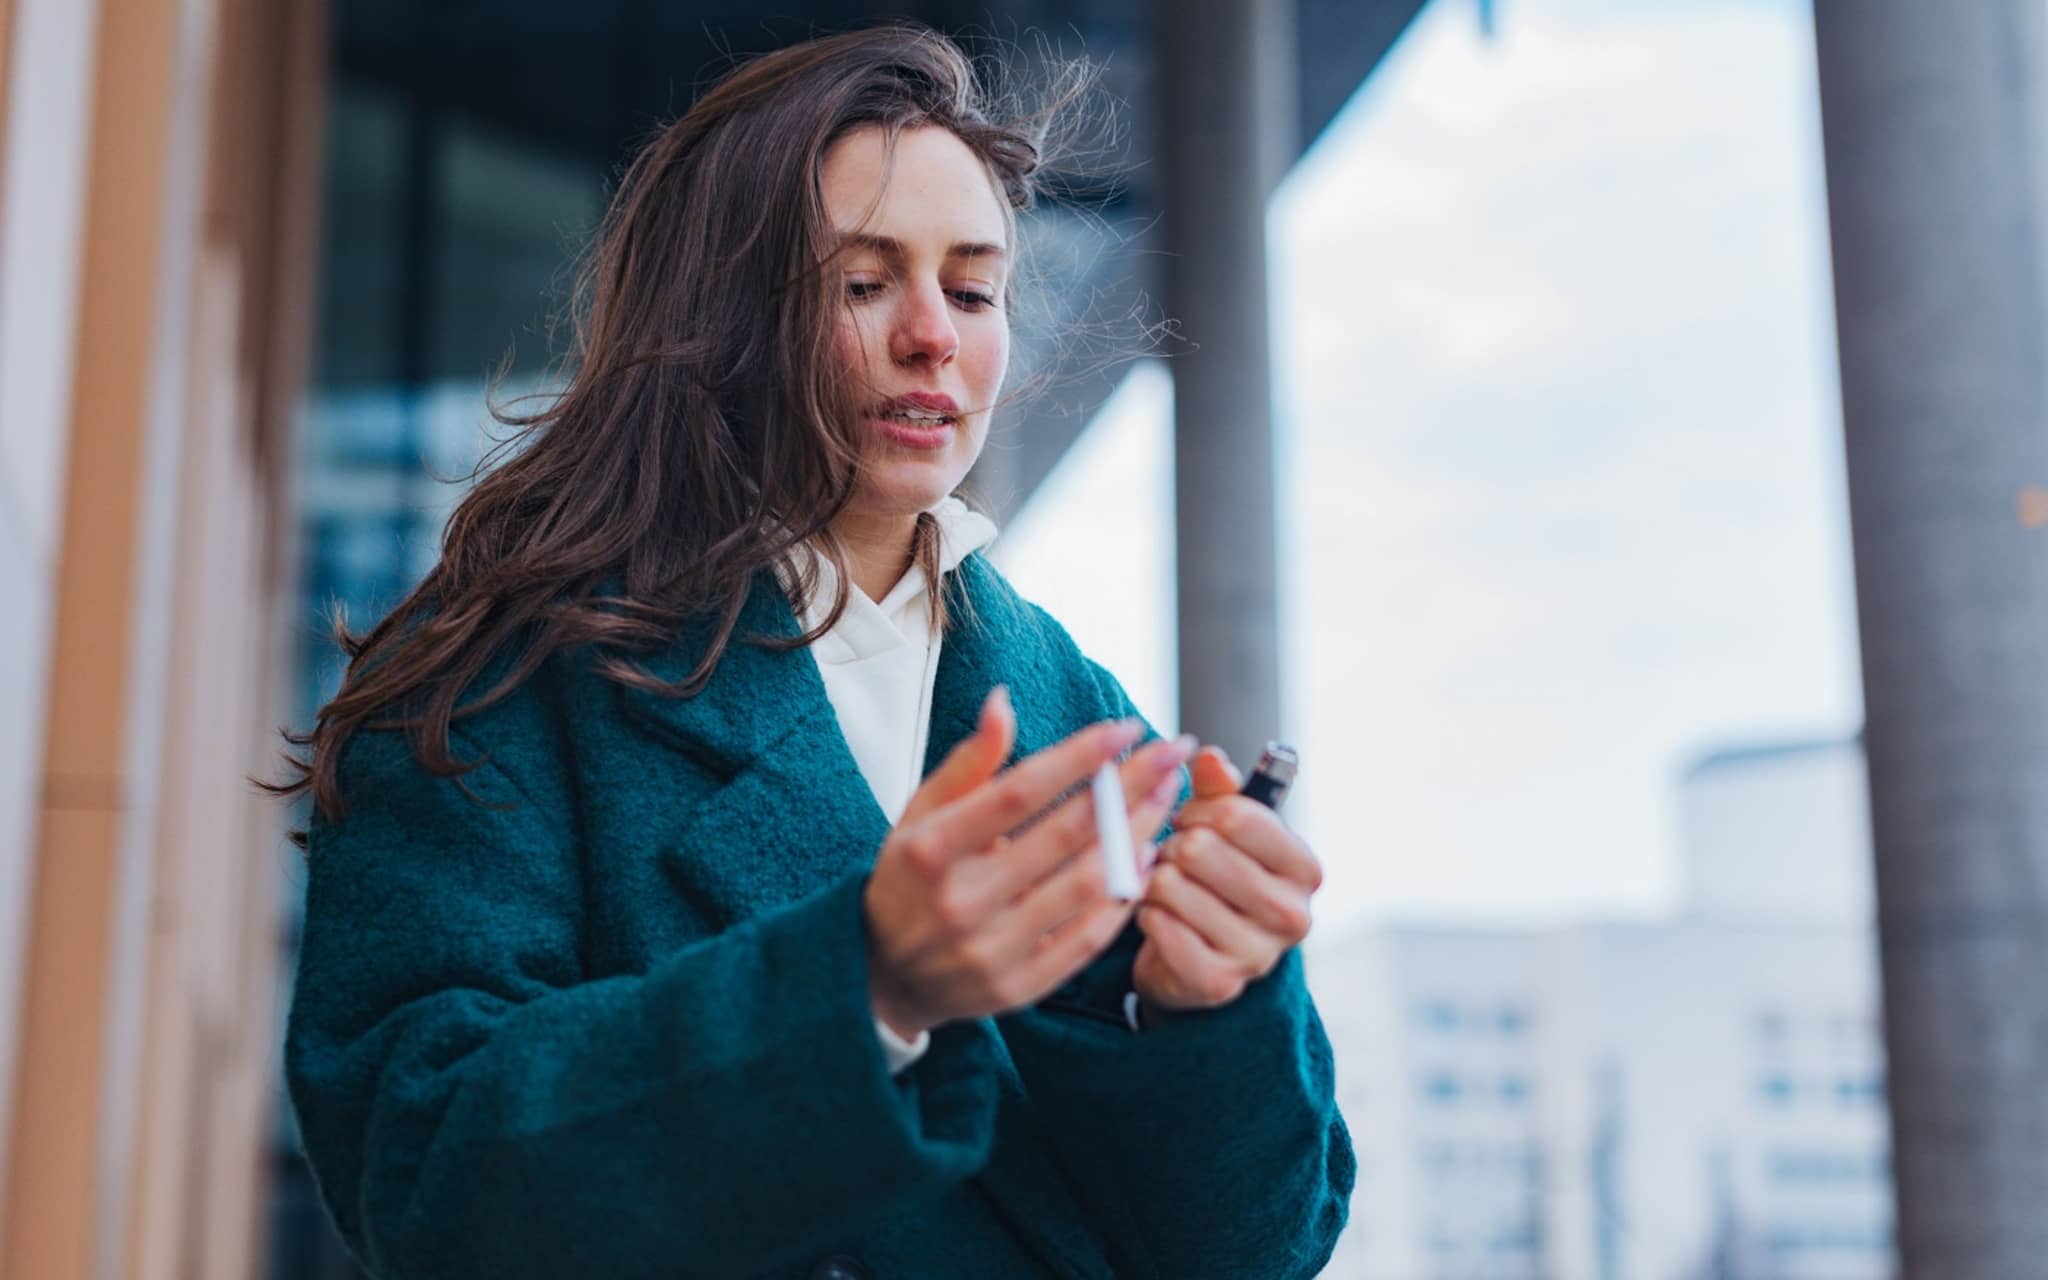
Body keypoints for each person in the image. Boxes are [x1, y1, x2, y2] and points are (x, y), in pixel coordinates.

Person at [273, 22, 1353, 1280]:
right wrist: (865, 980)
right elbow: (424, 1170)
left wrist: (1208, 1005)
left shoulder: (1072, 703)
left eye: (972, 286)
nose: (932, 336)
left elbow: (1254, 1250)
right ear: (718, 307)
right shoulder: (502, 670)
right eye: (862, 279)